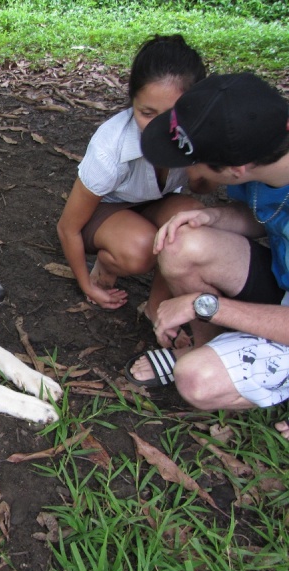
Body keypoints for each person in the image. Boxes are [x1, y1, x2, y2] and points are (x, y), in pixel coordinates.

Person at [125, 72, 289, 440]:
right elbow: (271, 217)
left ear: (235, 170)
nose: (187, 171)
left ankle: (215, 357)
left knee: (197, 380)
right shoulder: (265, 150)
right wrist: (211, 216)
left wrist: (206, 305)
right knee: (183, 243)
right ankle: (212, 345)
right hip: (282, 285)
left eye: (194, 163)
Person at [57, 34, 209, 332]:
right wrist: (85, 284)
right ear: (132, 103)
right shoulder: (111, 144)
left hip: (152, 205)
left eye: (172, 116)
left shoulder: (199, 133)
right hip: (104, 213)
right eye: (146, 113)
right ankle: (109, 263)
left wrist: (196, 161)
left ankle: (156, 308)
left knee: (191, 221)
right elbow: (67, 226)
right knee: (142, 251)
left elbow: (204, 188)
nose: (158, 128)